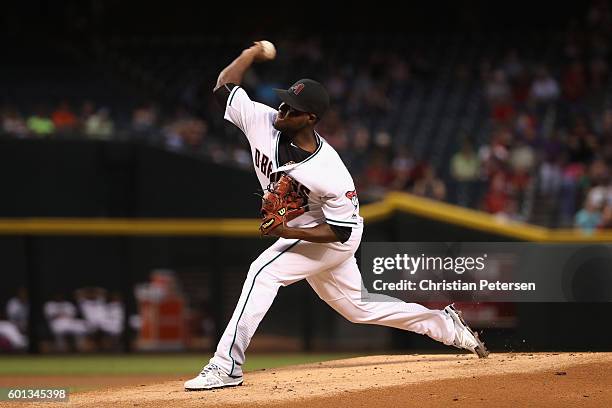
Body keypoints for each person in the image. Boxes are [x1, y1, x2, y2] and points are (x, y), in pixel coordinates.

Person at [184, 41, 488, 391]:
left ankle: (226, 366)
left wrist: (285, 228)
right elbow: (224, 84)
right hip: (304, 231)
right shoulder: (262, 120)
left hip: (330, 236)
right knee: (359, 308)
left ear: (310, 118)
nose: (282, 109)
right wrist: (251, 54)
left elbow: (341, 231)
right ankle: (446, 325)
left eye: (292, 108)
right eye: (284, 101)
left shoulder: (330, 170)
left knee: (262, 273)